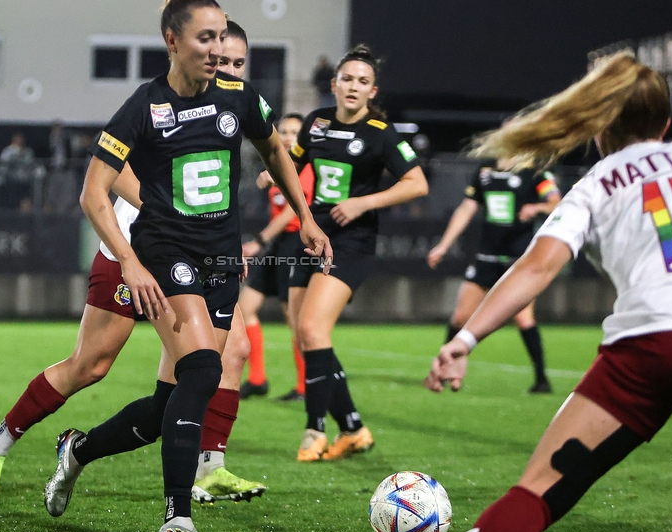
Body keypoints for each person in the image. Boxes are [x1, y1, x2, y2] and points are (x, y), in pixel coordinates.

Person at [426, 52, 672, 532]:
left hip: (656, 344)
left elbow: (538, 267)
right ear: (666, 124)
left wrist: (466, 337)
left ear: (599, 124)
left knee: (535, 494)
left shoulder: (602, 179)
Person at [0, 18, 275, 512]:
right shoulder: (158, 107)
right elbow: (116, 182)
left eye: (240, 63)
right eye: (222, 54)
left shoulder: (231, 104)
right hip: (135, 255)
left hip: (191, 261)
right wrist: (175, 222)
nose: (230, 68)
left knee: (202, 372)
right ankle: (0, 439)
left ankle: (203, 469)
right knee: (92, 366)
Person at [287, 44, 428, 462]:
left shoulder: (381, 133)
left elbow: (417, 183)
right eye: (347, 79)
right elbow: (294, 164)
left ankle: (315, 430)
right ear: (334, 84)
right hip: (313, 237)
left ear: (372, 91)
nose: (353, 86)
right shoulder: (315, 123)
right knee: (303, 336)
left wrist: (363, 203)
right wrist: (271, 175)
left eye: (362, 81)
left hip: (351, 243)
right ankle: (353, 428)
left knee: (313, 330)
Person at [427, 157, 561, 393]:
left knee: (523, 318)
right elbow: (467, 207)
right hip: (486, 258)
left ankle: (542, 379)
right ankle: (442, 369)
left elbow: (555, 202)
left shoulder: (535, 172)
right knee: (460, 317)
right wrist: (444, 245)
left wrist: (537, 208)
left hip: (518, 261)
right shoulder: (485, 170)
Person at [237, 112, 313, 402]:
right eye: (284, 131)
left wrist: (260, 240)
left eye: (295, 132)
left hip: (295, 243)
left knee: (293, 317)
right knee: (246, 307)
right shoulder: (279, 164)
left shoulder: (304, 166)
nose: (288, 136)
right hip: (278, 243)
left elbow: (296, 209)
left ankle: (305, 387)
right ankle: (257, 379)